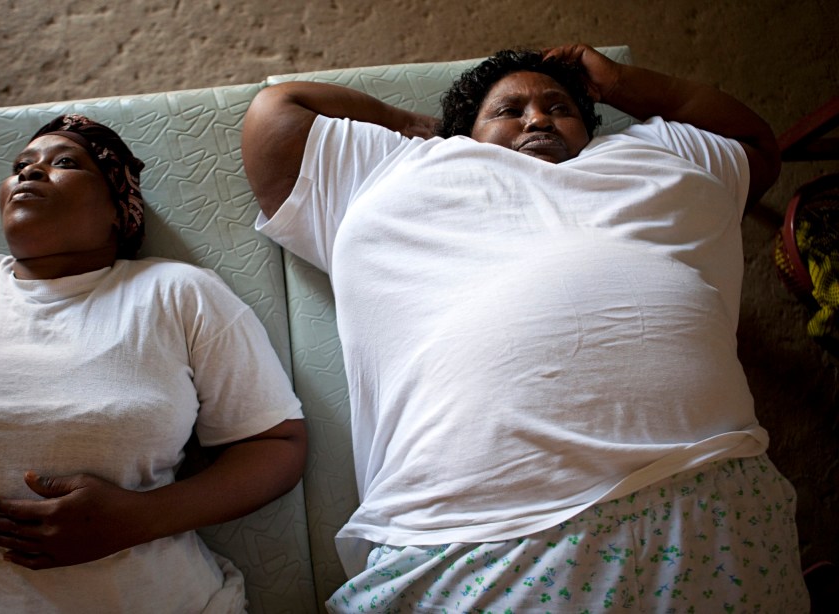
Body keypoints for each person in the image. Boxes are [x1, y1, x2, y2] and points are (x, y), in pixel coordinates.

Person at [242, 44, 810, 611]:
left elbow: (757, 144)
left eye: (559, 107)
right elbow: (278, 111)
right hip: (479, 533)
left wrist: (619, 81)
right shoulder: (400, 167)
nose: (538, 119)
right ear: (466, 131)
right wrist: (420, 126)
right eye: (508, 111)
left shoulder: (653, 154)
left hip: (709, 488)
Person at [0, 114, 307, 613]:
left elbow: (277, 444)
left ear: (118, 211)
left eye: (66, 163)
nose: (30, 172)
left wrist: (139, 518)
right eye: (21, 165)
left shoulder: (177, 293)